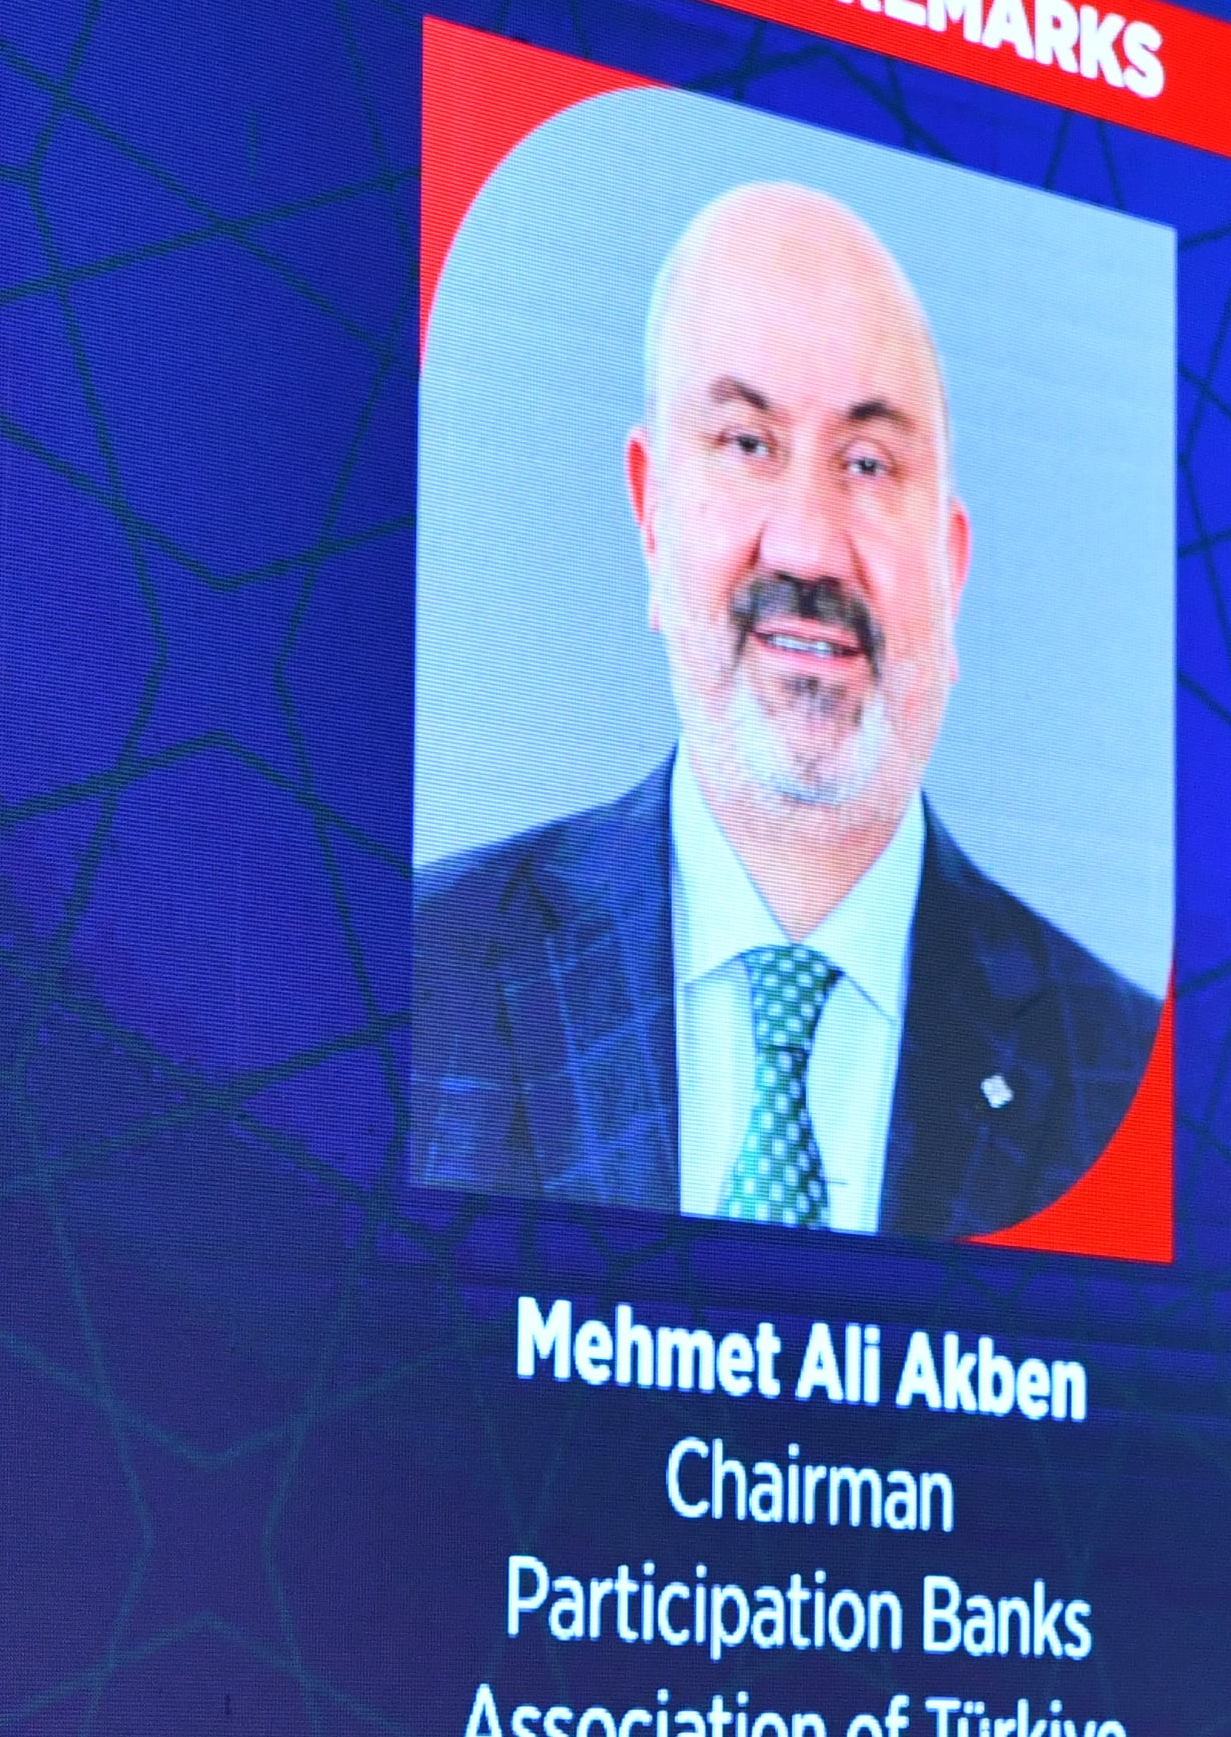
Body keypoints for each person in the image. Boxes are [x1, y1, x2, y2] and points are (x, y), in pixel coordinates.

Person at [408, 176, 1160, 1232]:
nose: (807, 546)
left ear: (951, 570)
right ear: (651, 516)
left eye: (868, 463)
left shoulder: (1123, 1075)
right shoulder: (417, 978)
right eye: (747, 443)